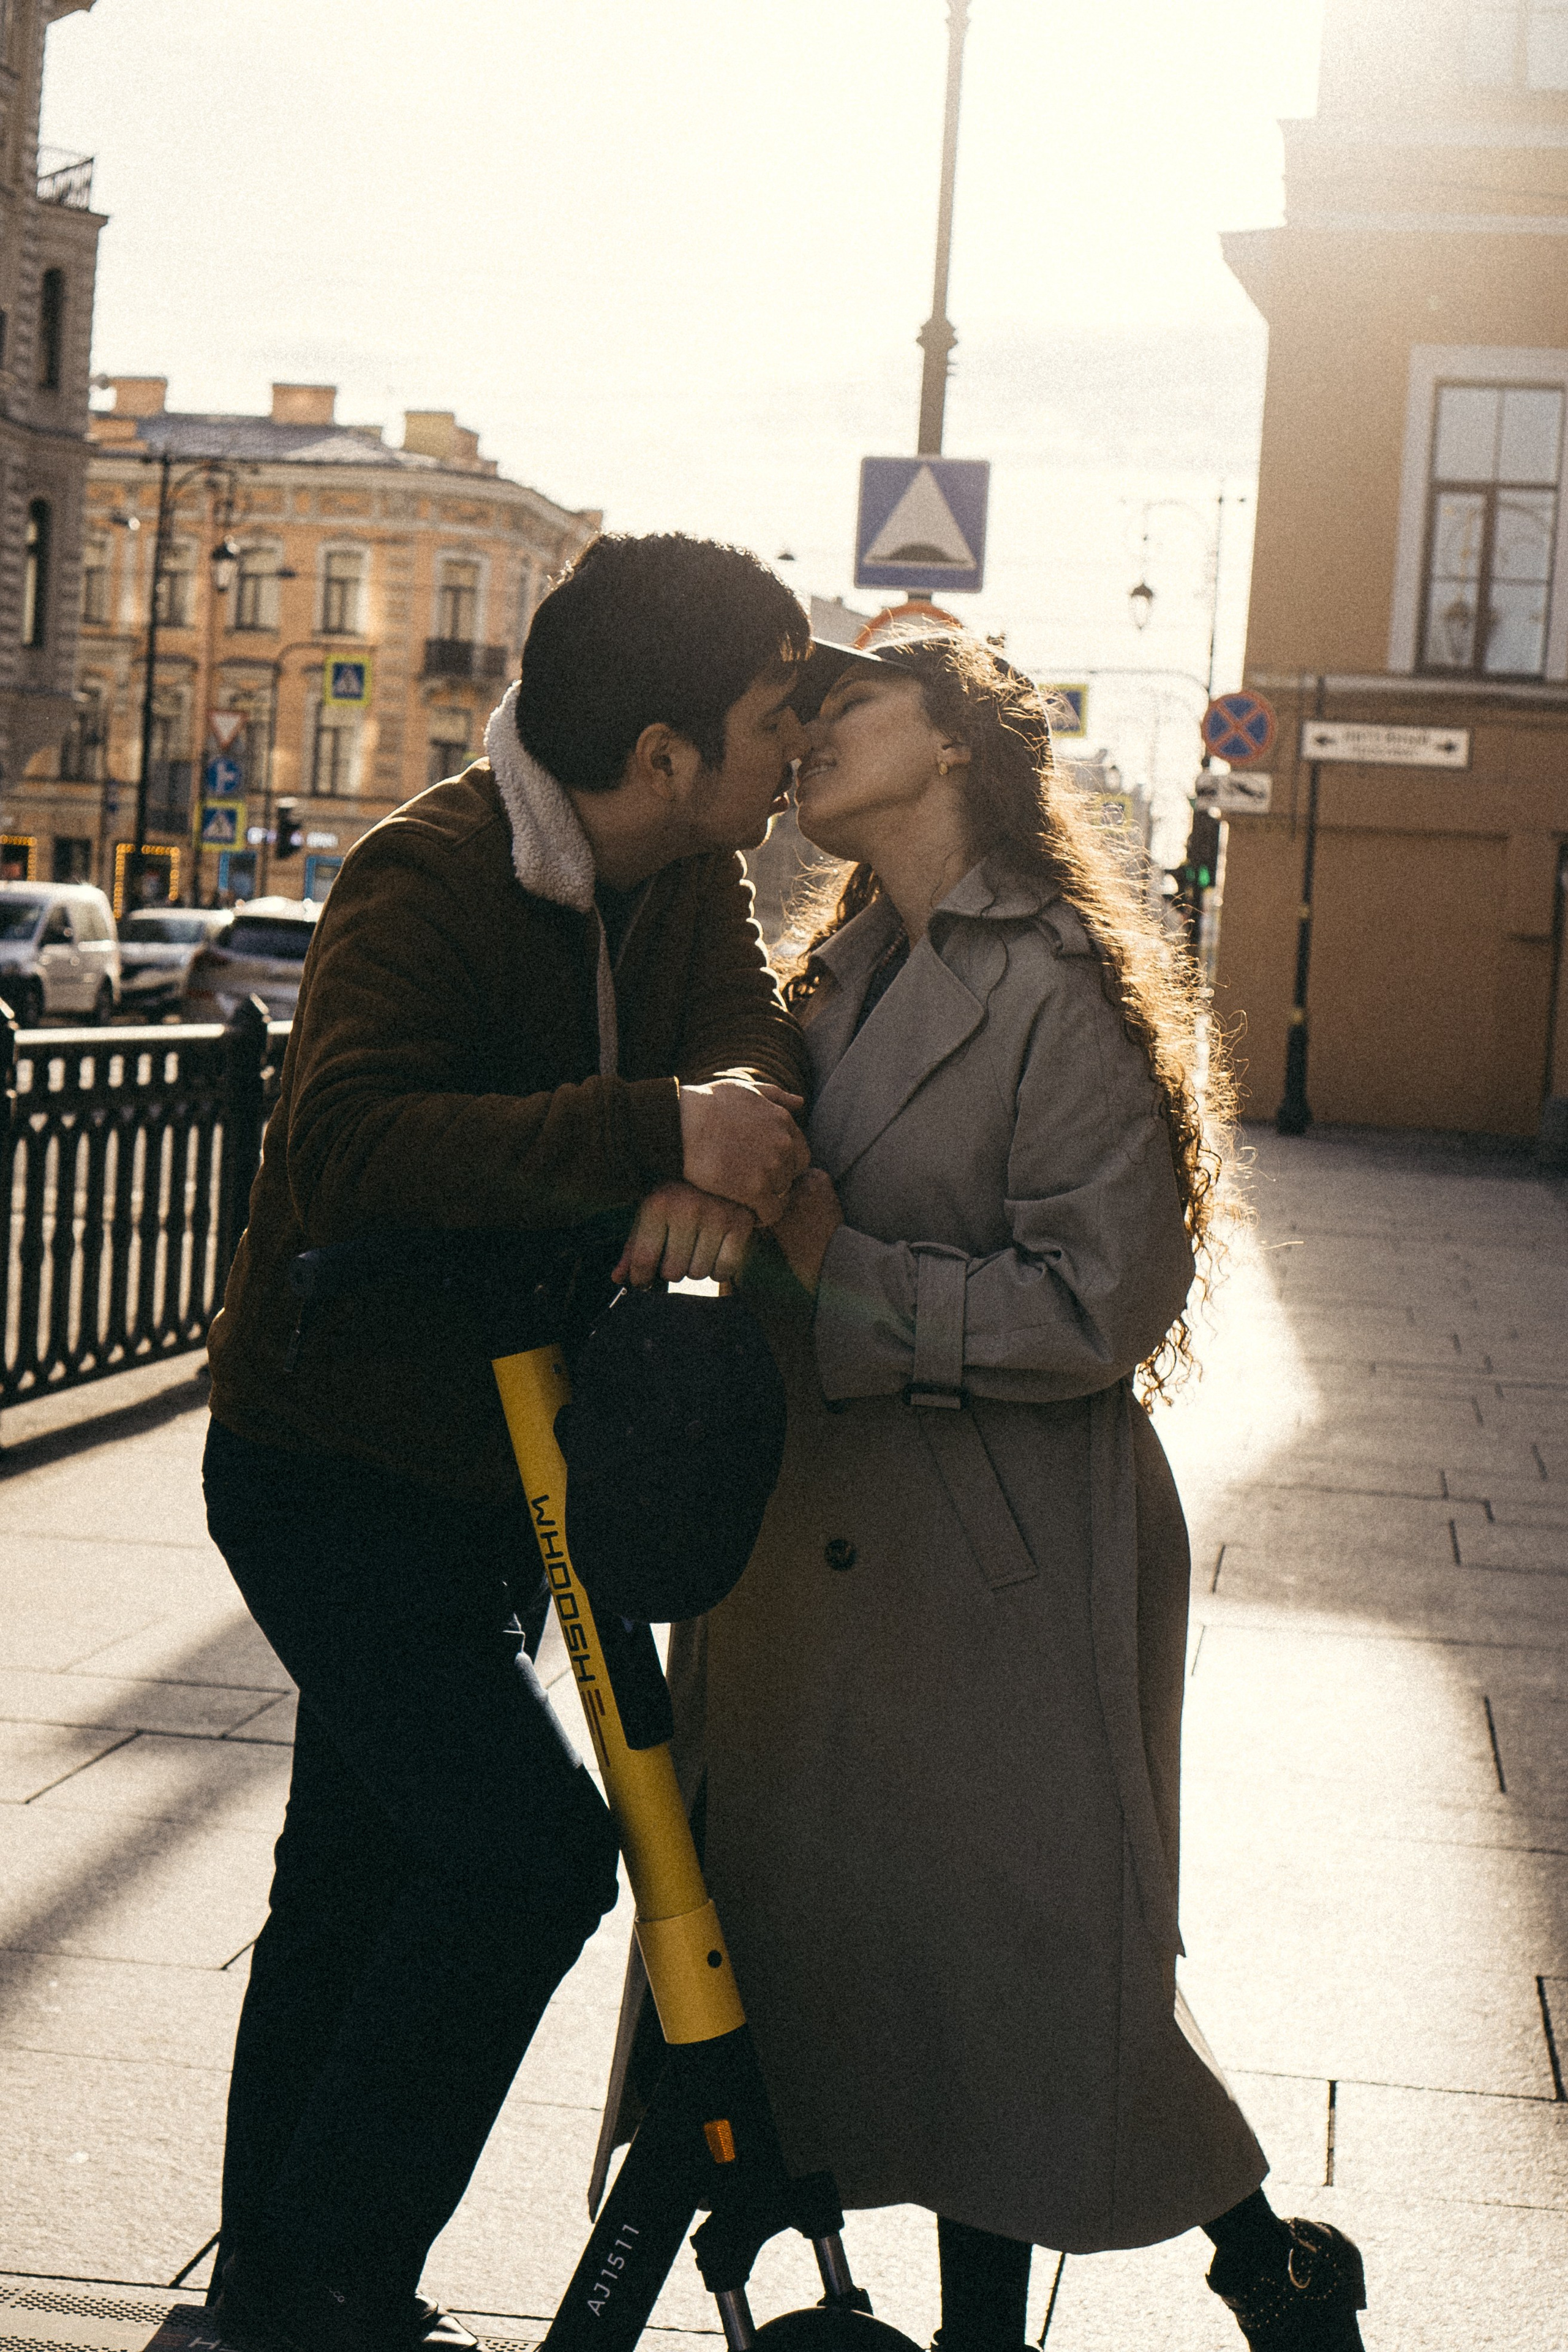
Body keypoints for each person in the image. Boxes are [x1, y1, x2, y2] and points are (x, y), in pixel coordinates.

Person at [649, 631, 1370, 2352]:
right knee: (872, 1956)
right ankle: (1224, 2270)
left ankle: (1201, 2279)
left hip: (1000, 1551)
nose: (813, 729)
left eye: (853, 702)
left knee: (1028, 1958)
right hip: (820, 1549)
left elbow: (1105, 1299)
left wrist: (843, 1270)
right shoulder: (830, 974)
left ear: (960, 744)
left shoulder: (1053, 982)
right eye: (802, 711)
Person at [201, 532, 814, 2352]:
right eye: (772, 719)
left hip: (501, 1472)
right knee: (528, 1853)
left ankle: (281, 2281)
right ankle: (335, 2280)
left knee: (358, 1867)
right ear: (661, 753)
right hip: (331, 1460)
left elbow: (750, 1053)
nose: (789, 753)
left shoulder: (687, 883)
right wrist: (654, 1129)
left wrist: (720, 1134)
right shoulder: (432, 876)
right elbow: (352, 1148)